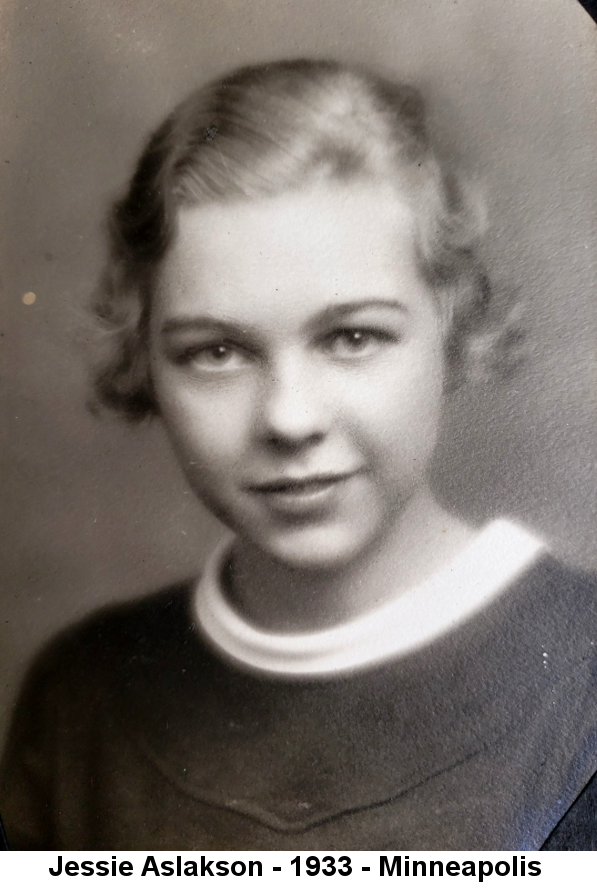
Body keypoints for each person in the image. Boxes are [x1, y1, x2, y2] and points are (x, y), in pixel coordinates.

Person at [1, 58, 596, 851]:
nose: (287, 417)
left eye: (352, 337)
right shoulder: (80, 700)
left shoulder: (580, 682)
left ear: (451, 325)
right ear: (144, 356)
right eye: (216, 351)